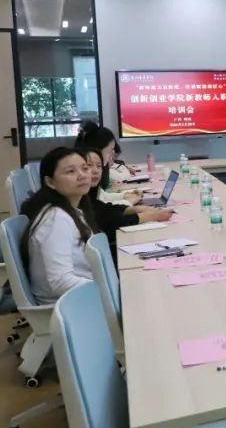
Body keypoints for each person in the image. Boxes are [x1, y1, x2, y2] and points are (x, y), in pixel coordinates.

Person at [19, 147, 98, 305]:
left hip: (83, 294)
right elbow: (60, 281)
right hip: (70, 304)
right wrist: (106, 287)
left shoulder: (72, 210)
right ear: (50, 182)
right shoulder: (56, 220)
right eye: (70, 171)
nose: (82, 175)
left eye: (85, 168)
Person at [82, 148, 172, 255]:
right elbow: (112, 220)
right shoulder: (73, 208)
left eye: (99, 166)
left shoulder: (90, 195)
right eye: (88, 166)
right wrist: (152, 215)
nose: (95, 171)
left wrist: (134, 209)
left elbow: (105, 208)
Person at [74, 121, 141, 205]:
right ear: (98, 150)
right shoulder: (86, 178)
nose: (113, 154)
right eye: (110, 150)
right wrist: (128, 201)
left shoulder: (95, 175)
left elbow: (102, 197)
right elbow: (100, 209)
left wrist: (125, 195)